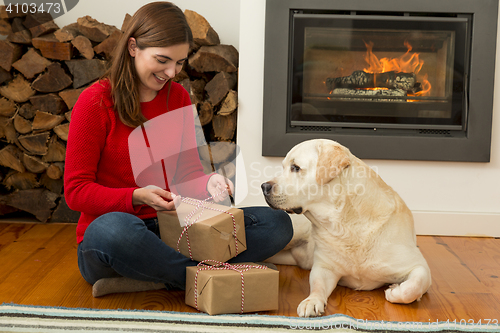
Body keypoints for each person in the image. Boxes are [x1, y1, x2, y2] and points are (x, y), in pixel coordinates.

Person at [64, 1, 293, 297]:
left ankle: (169, 275)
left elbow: (188, 174)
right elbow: (76, 191)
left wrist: (208, 181)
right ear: (133, 47)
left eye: (180, 62)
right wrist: (135, 197)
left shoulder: (179, 97)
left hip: (175, 230)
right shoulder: (94, 103)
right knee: (111, 231)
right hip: (120, 238)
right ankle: (203, 278)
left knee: (276, 224)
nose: (172, 72)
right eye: (162, 60)